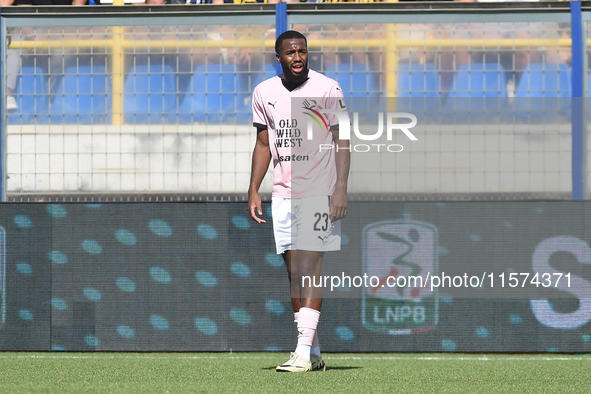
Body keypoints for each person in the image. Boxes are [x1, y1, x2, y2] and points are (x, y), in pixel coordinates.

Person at [248, 30, 350, 372]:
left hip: (319, 191)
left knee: (310, 270)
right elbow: (264, 144)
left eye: (302, 51)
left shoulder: (328, 88)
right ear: (279, 58)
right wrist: (253, 189)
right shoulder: (264, 91)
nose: (297, 57)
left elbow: (343, 141)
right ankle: (314, 352)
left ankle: (302, 352)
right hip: (282, 195)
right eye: (290, 52)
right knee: (294, 273)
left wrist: (340, 189)